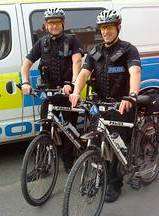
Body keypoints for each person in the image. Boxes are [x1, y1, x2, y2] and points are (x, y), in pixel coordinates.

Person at [69, 8, 141, 202]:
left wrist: (131, 95)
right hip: (100, 105)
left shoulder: (128, 49)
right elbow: (84, 73)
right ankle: (102, 173)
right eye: (102, 28)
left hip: (121, 105)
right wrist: (76, 91)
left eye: (109, 27)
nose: (106, 32)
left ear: (118, 27)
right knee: (99, 140)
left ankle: (115, 183)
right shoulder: (95, 51)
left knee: (118, 145)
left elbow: (135, 72)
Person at [21, 7, 83, 173]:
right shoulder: (42, 43)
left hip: (68, 94)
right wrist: (25, 82)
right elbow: (26, 64)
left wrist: (72, 83)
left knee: (70, 128)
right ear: (46, 25)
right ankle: (42, 167)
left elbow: (77, 62)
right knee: (45, 130)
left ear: (63, 23)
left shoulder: (72, 40)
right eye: (50, 23)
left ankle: (70, 163)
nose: (54, 26)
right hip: (49, 95)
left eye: (57, 22)